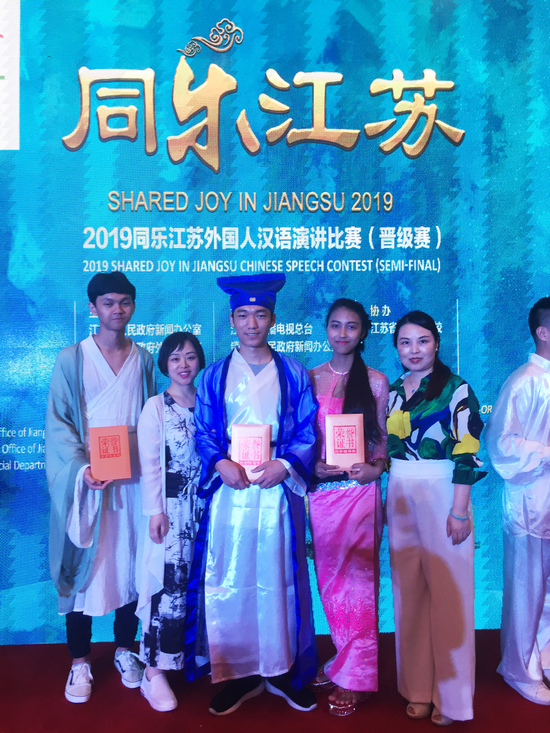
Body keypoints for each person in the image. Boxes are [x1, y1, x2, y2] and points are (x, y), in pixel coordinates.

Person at [188, 273, 318, 716]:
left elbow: (306, 429)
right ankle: (238, 672)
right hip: (231, 490)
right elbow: (204, 431)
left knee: (277, 577)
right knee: (232, 577)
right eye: (243, 315)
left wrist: (286, 464)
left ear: (272, 319)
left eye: (260, 314)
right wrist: (219, 462)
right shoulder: (214, 375)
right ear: (232, 320)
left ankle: (281, 670)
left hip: (275, 489)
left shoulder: (293, 373)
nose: (251, 323)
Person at [46, 272, 155, 703]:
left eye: (125, 302)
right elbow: (59, 425)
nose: (117, 310)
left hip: (133, 483)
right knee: (86, 571)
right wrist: (82, 470)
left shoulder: (144, 359)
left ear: (133, 306)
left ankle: (126, 650)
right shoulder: (71, 359)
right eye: (108, 302)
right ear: (93, 307)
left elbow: (151, 421)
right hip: (88, 484)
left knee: (130, 565)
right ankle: (79, 661)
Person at [386, 310, 485, 726]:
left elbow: (468, 452)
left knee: (449, 597)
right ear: (397, 347)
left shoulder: (456, 388)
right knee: (408, 596)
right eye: (405, 342)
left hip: (444, 492)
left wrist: (459, 511)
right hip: (399, 492)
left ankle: (452, 698)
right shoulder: (393, 390)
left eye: (422, 341)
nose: (414, 350)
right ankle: (418, 689)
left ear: (437, 344)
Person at [308, 299, 388, 715]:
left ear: (363, 332)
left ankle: (357, 676)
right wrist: (310, 464)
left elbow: (382, 440)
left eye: (351, 326)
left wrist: (376, 467)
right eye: (335, 325)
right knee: (331, 587)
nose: (343, 333)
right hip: (321, 495)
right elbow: (302, 438)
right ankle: (343, 657)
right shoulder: (310, 378)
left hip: (359, 494)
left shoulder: (375, 381)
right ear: (326, 329)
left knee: (358, 586)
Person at [136, 332, 207, 712]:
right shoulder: (156, 407)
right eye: (176, 358)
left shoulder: (210, 403)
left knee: (202, 583)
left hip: (207, 508)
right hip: (172, 510)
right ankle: (153, 671)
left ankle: (193, 658)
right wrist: (155, 511)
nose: (184, 365)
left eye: (191, 357)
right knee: (168, 587)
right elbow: (150, 464)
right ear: (165, 363)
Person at [485, 297, 550, 705]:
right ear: (542, 332)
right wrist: (546, 453)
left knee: (548, 586)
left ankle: (544, 655)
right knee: (527, 586)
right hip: (530, 501)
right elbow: (500, 443)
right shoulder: (524, 381)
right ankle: (519, 669)